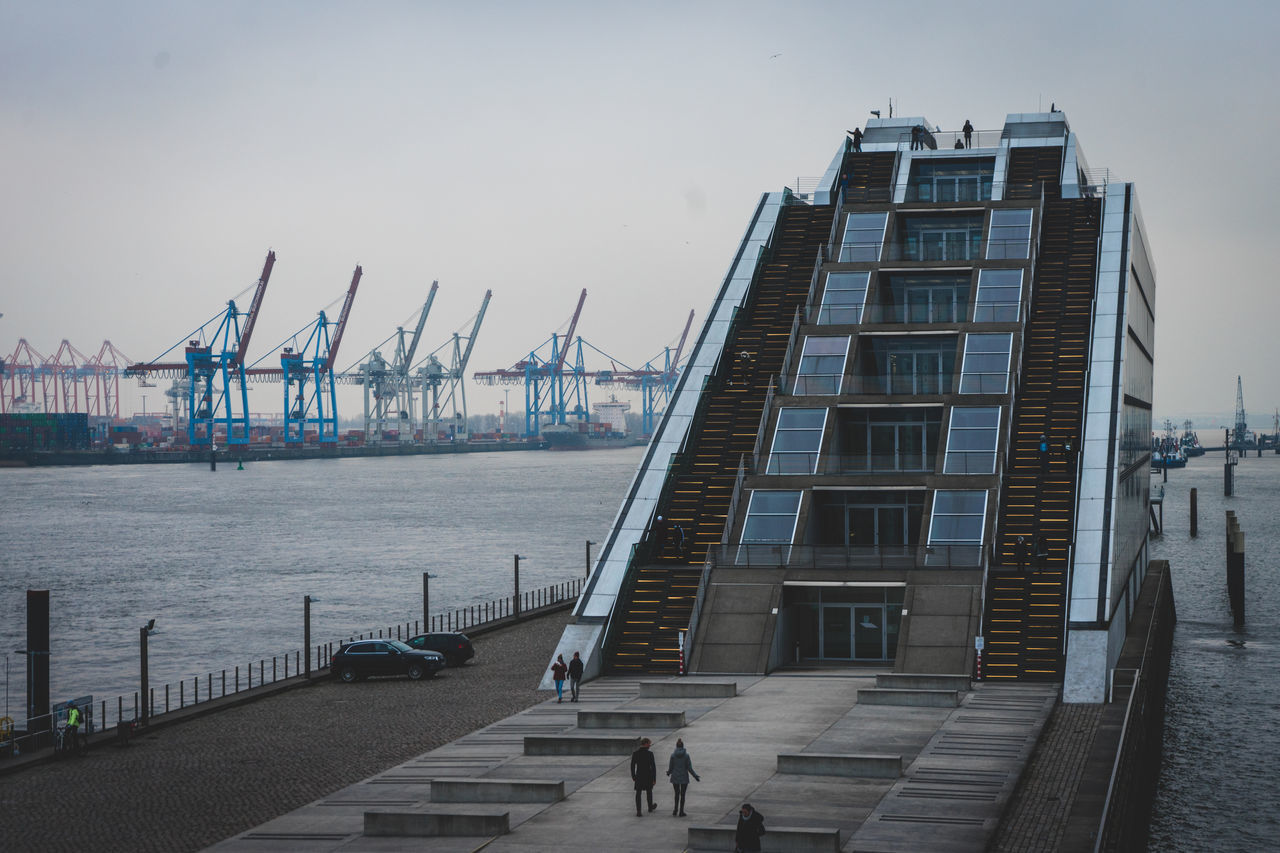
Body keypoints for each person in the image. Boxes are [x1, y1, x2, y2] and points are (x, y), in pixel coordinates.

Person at [666, 738, 700, 816]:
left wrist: (668, 772)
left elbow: (671, 767)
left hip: (675, 777)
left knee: (676, 794)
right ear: (683, 746)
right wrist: (695, 776)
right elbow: (689, 768)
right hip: (684, 777)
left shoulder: (673, 755)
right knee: (683, 795)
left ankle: (675, 810)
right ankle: (681, 811)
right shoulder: (686, 756)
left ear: (676, 746)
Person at [631, 737, 658, 815]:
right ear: (645, 744)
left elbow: (632, 766)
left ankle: (638, 811)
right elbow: (653, 767)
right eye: (649, 743)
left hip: (639, 775)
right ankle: (650, 807)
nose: (650, 745)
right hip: (648, 775)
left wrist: (633, 776)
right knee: (649, 791)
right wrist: (654, 778)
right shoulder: (650, 754)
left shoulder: (635, 753)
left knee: (638, 793)